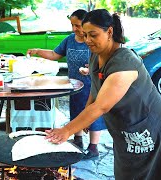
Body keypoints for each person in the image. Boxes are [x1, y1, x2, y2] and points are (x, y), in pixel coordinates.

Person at [45, 9, 161, 179]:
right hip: (125, 125)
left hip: (146, 124)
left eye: (93, 35)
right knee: (125, 169)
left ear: (110, 32)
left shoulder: (125, 62)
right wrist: (86, 111)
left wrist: (66, 130)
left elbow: (101, 106)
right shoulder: (96, 55)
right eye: (85, 35)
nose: (88, 40)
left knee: (144, 172)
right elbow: (96, 87)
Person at [27, 9, 106, 159]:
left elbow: (102, 63)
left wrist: (90, 69)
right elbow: (54, 54)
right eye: (72, 25)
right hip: (74, 86)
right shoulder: (69, 39)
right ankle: (77, 141)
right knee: (76, 112)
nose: (74, 29)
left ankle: (93, 147)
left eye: (78, 25)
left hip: (92, 86)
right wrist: (37, 51)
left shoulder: (93, 41)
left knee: (93, 115)